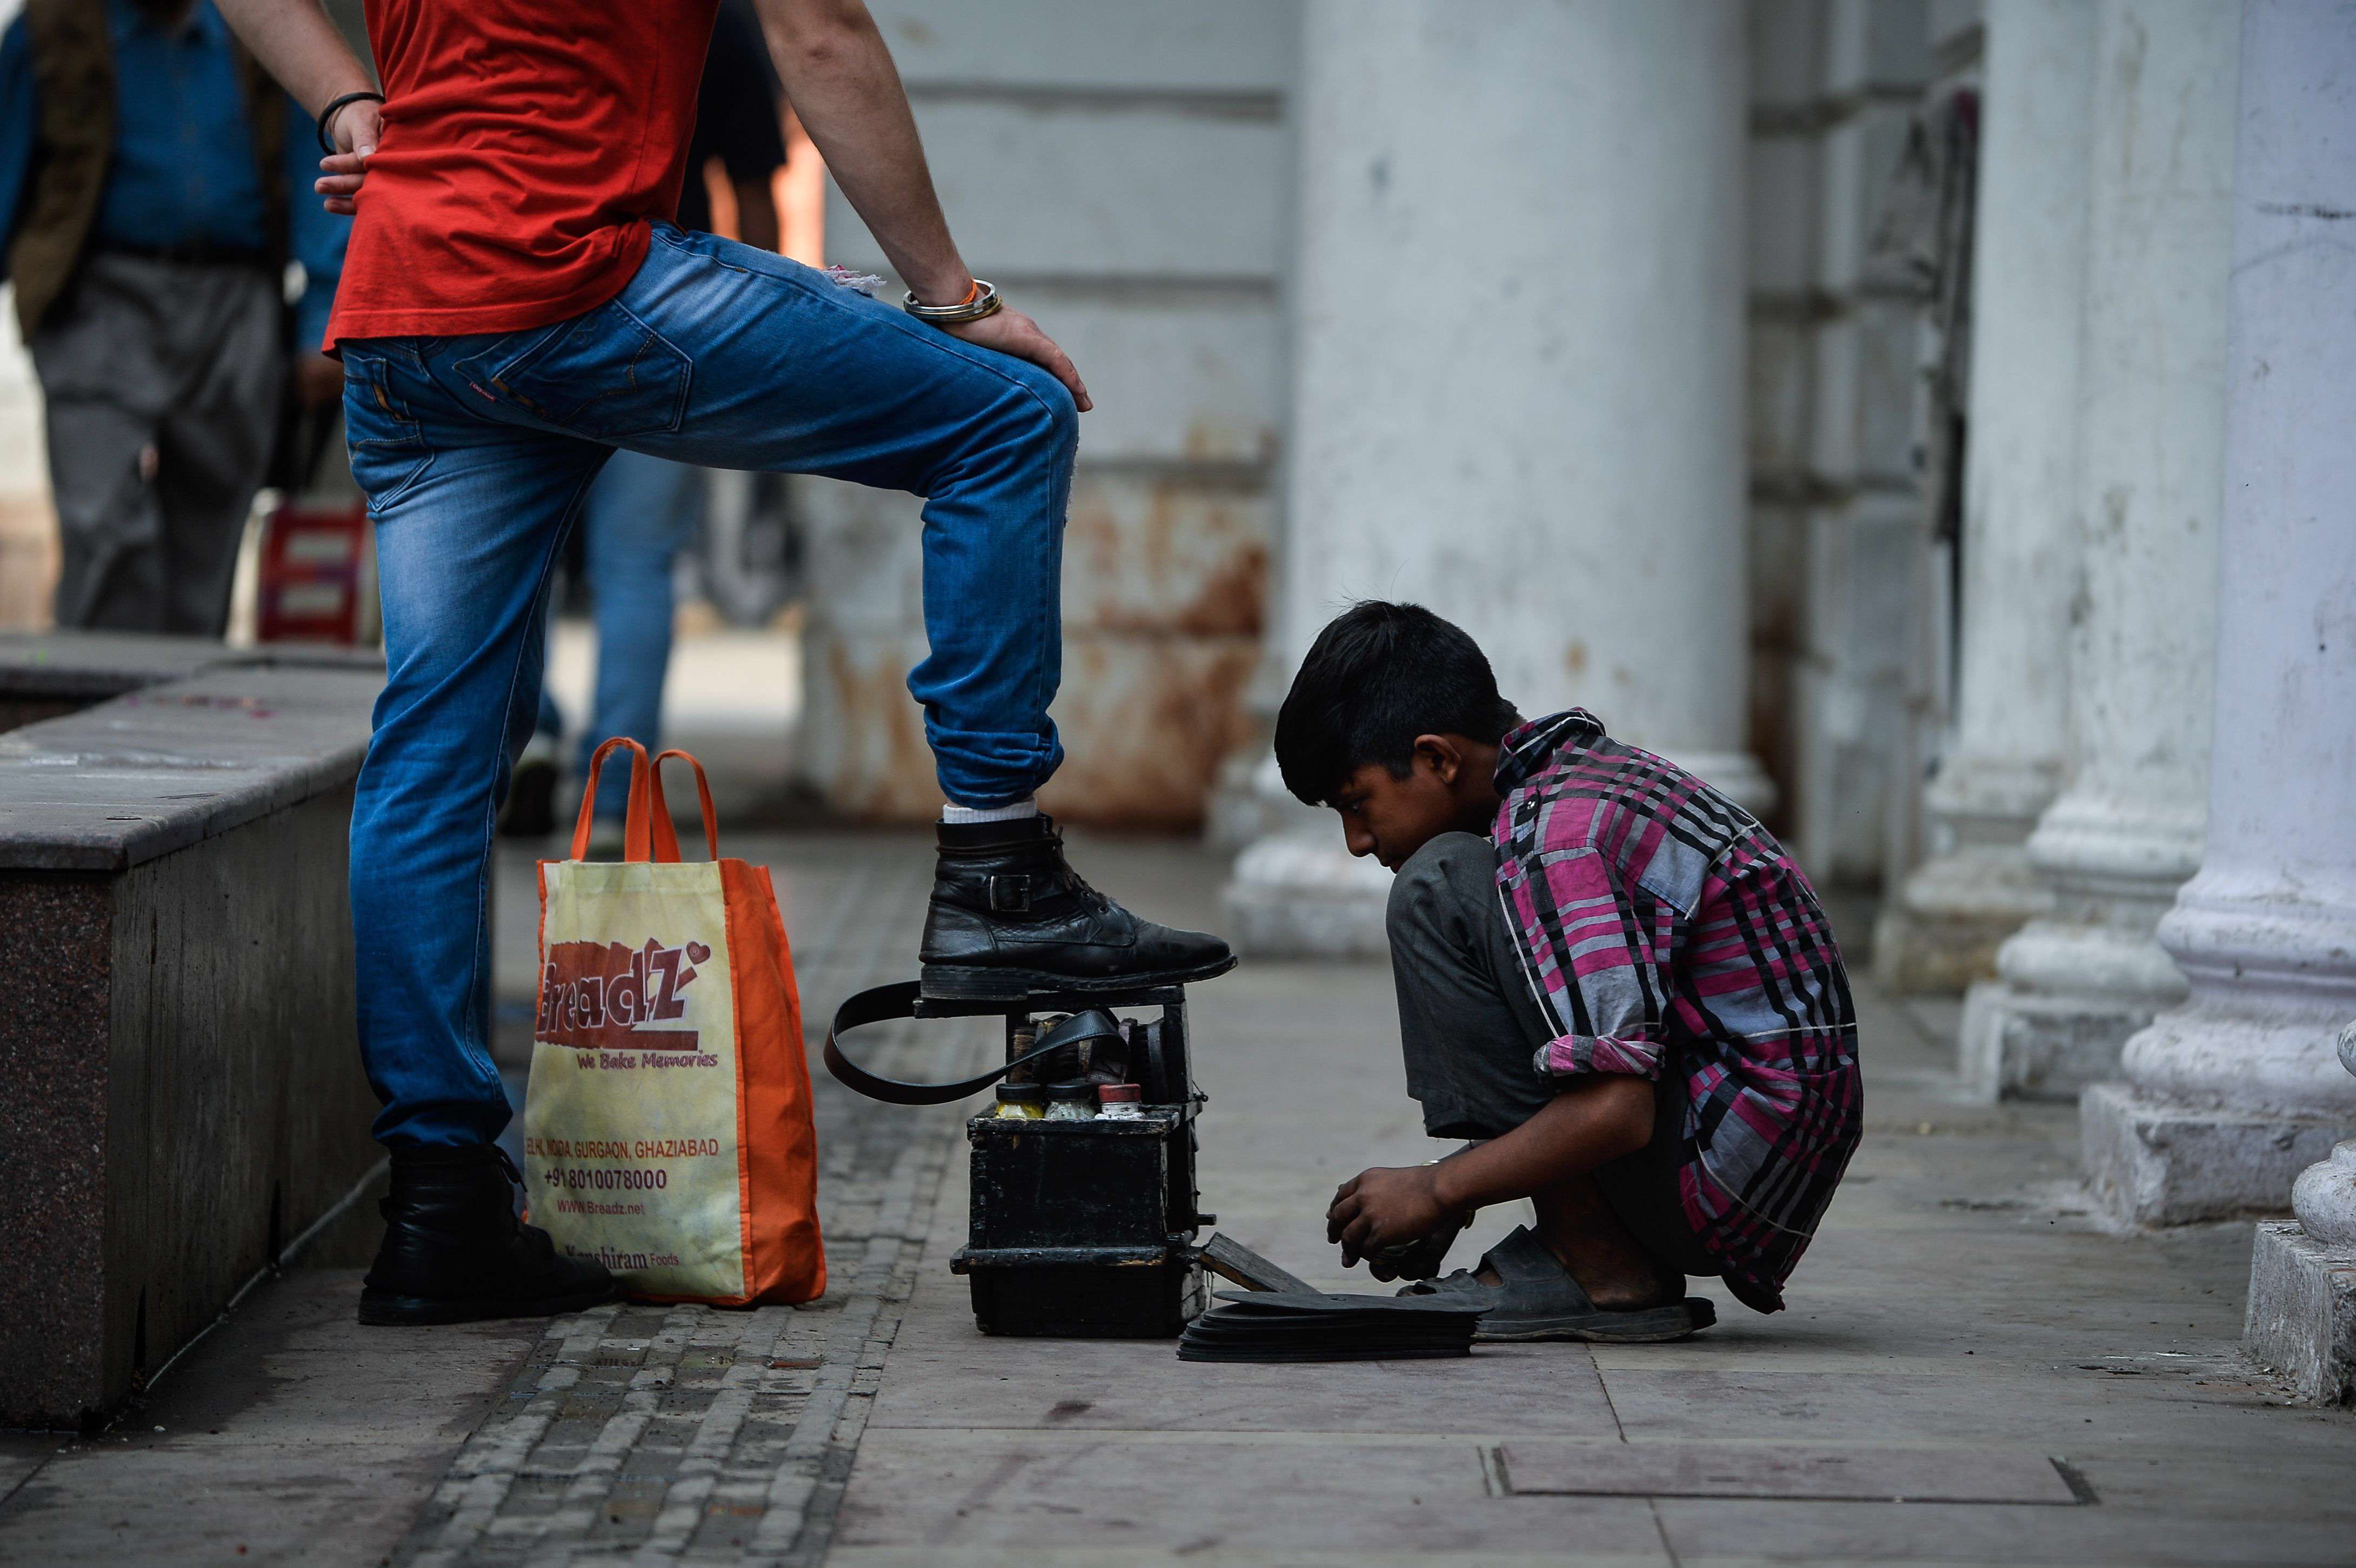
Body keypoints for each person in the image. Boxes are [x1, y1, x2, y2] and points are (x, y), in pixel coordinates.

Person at [212, 0, 1234, 1326]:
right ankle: (998, 867)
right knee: (1007, 415)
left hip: (410, 315)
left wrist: (349, 102)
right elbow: (819, 35)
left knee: (436, 753)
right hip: (577, 278)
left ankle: (441, 1202)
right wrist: (951, 296)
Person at [1279, 602, 1861, 1340]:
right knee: (1458, 881)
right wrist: (1465, 1189)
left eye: (1356, 804)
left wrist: (1437, 1188)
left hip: (1720, 1172)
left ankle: (1597, 1265)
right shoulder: (1573, 784)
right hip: (1748, 1157)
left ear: (1437, 758)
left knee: (1438, 888)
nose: (1357, 842)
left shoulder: (1557, 840)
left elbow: (1618, 1109)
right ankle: (1591, 1243)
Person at [505, 0, 792, 841]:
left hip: (524, 305)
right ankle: (615, 793)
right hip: (663, 316)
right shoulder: (716, 18)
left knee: (521, 560)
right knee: (637, 567)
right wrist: (764, 339)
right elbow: (752, 193)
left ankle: (528, 742)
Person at [0, 0, 348, 635]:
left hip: (235, 298)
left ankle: (182, 712)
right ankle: (98, 707)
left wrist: (323, 318)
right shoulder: (52, 30)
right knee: (103, 523)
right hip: (99, 298)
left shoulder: (265, 33)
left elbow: (314, 166)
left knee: (211, 526)